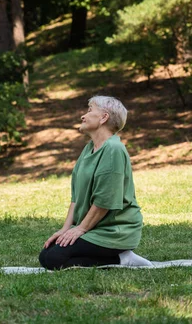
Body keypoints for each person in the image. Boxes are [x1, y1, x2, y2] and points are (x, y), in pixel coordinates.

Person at [38, 96, 152, 270]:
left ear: (104, 117)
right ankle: (117, 256)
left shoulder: (113, 149)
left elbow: (104, 201)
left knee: (54, 258)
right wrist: (66, 229)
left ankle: (123, 258)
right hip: (94, 227)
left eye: (90, 110)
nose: (83, 116)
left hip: (115, 230)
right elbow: (76, 198)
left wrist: (80, 229)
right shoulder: (88, 148)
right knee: (46, 254)